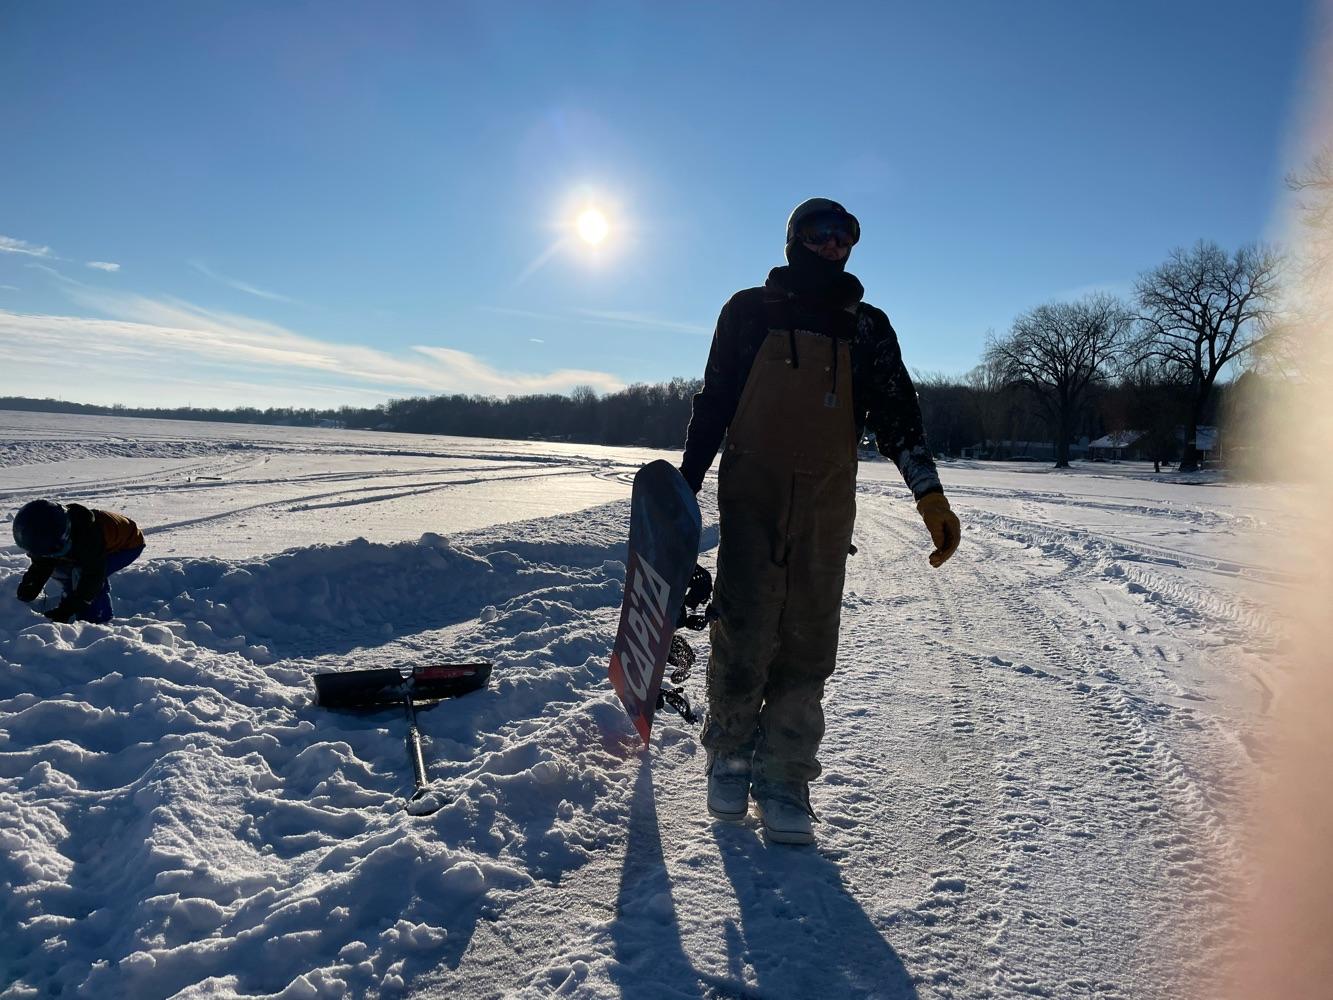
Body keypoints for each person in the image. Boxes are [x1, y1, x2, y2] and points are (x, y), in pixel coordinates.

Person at [679, 198, 961, 845]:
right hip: (751, 501)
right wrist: (684, 488)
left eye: (845, 236)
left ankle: (784, 775)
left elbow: (898, 418)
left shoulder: (867, 327)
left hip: (826, 509)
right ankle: (728, 753)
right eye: (819, 233)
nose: (832, 246)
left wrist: (928, 495)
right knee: (744, 626)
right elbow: (714, 401)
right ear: (793, 239)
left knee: (808, 641)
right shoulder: (748, 312)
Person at [12, 499, 146, 624]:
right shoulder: (47, 537)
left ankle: (97, 621)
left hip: (128, 545)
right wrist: (29, 589)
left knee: (84, 577)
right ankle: (71, 600)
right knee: (65, 572)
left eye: (53, 550)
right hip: (90, 548)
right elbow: (43, 563)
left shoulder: (87, 537)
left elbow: (93, 576)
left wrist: (69, 608)